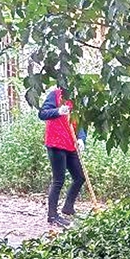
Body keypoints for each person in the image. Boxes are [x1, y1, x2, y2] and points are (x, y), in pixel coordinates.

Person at [38, 84, 88, 228]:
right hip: (56, 142)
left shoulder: (78, 100)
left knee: (80, 177)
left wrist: (81, 139)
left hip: (71, 143)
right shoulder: (56, 95)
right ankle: (52, 215)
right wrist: (58, 111)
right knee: (58, 180)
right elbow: (42, 114)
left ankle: (68, 208)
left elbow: (81, 123)